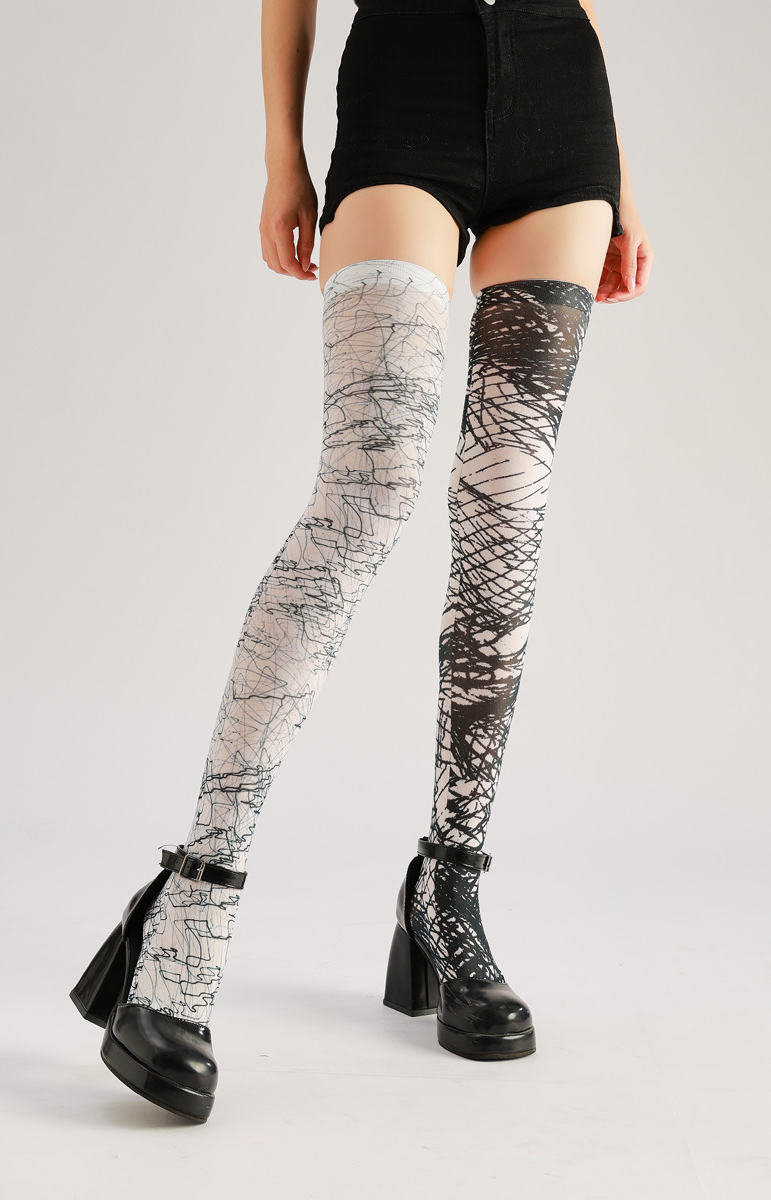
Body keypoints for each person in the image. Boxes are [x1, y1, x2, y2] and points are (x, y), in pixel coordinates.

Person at [70, 0, 653, 1122]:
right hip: (404, 92)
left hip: (562, 108)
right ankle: (191, 907)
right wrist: (282, 156)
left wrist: (622, 182)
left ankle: (449, 894)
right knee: (369, 486)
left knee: (508, 506)